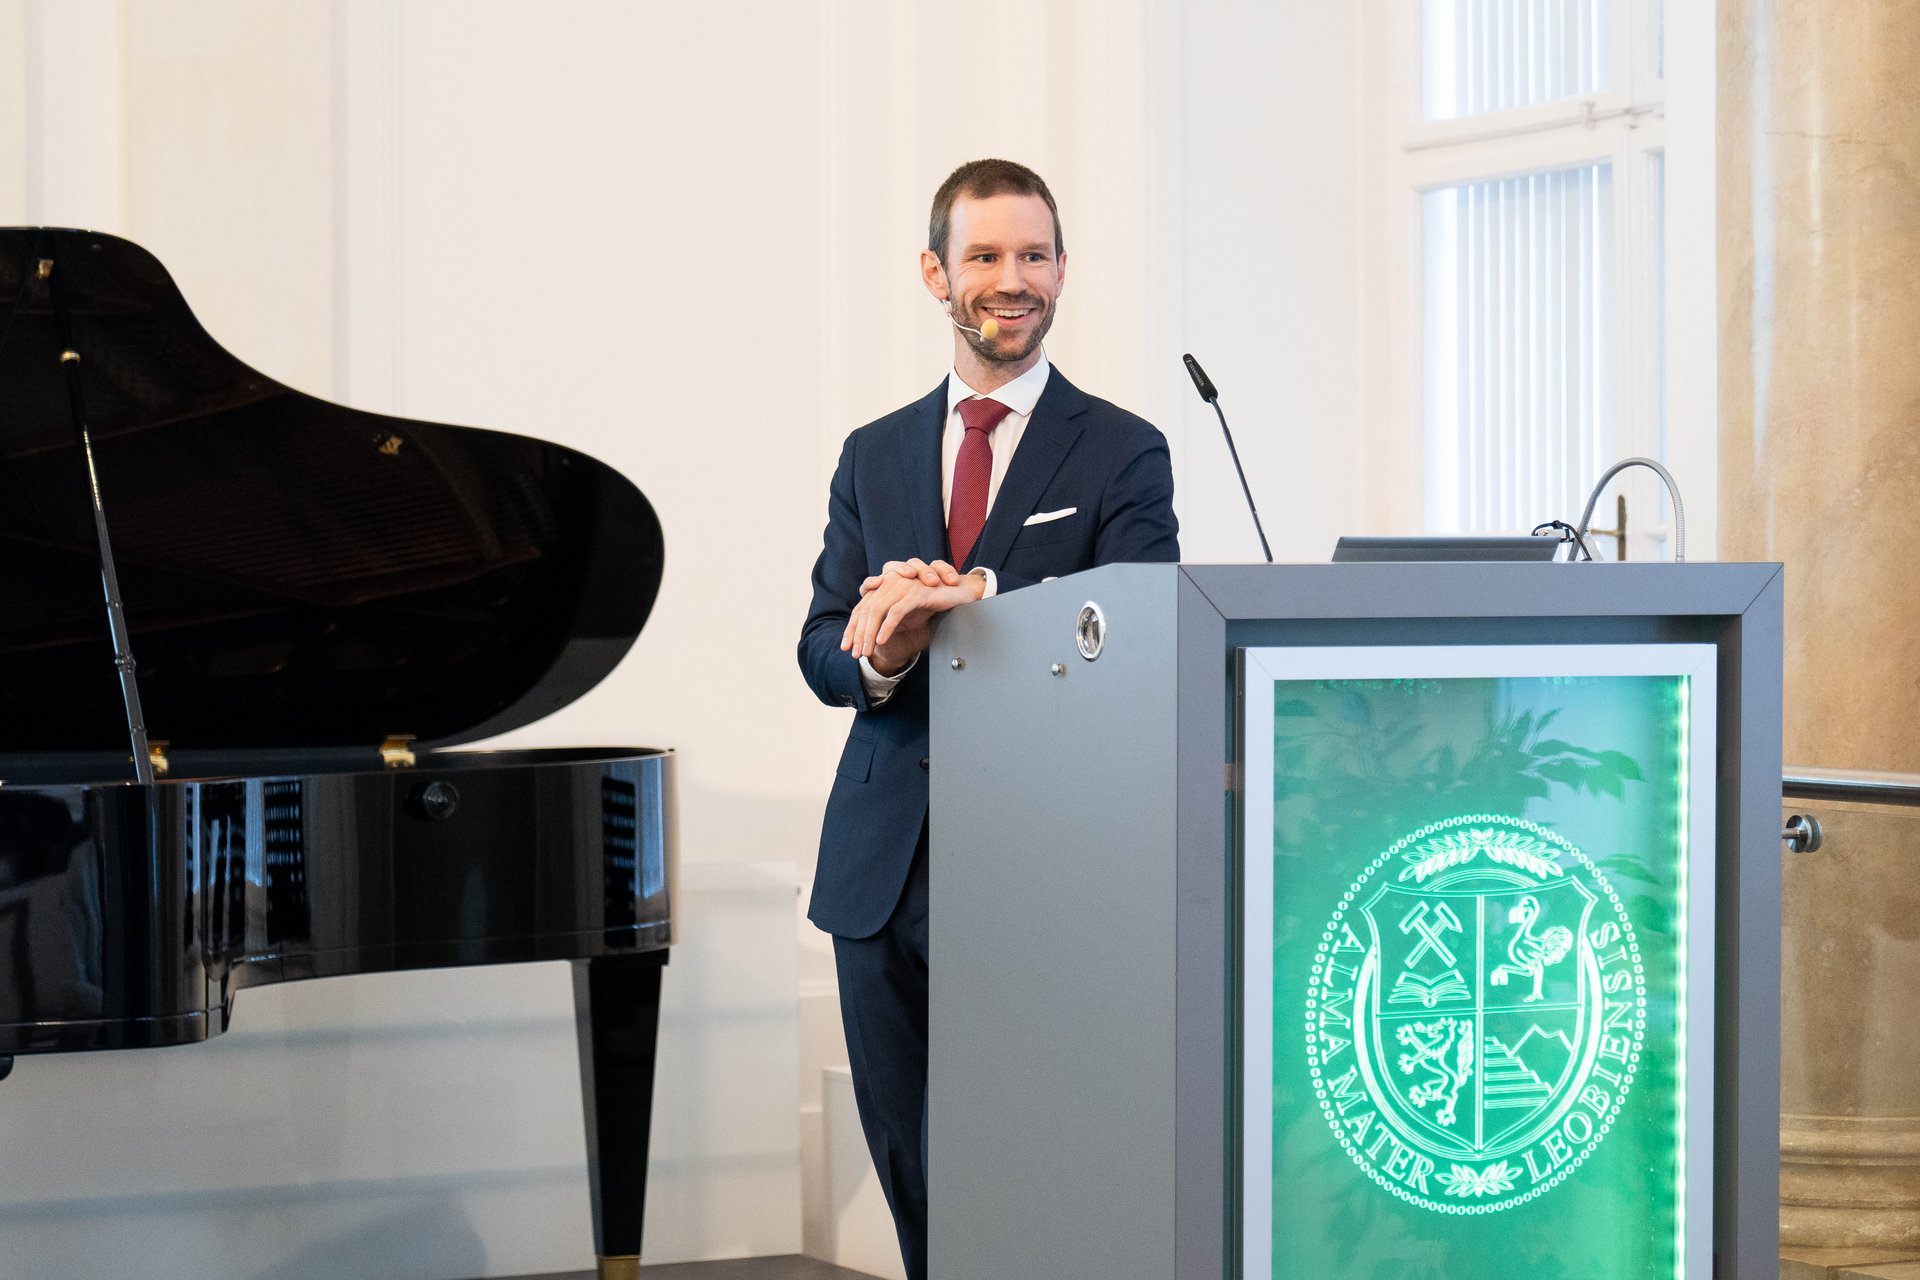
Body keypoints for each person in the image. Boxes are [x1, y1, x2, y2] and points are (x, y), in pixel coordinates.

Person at [796, 158, 1179, 1279]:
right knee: (912, 1161)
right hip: (882, 868)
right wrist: (884, 653)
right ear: (935, 272)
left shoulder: (1122, 449)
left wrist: (980, 608)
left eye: (1036, 254)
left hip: (1044, 865)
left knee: (1039, 1158)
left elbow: (1144, 640)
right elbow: (823, 645)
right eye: (987, 256)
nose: (1014, 280)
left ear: (1062, 269)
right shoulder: (872, 451)